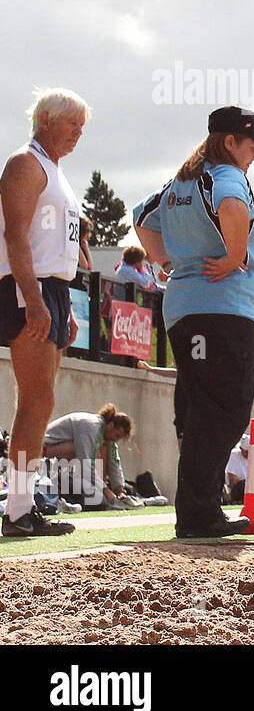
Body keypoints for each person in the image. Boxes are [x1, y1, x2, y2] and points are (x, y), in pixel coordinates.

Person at [133, 104, 254, 538]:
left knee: (204, 411)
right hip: (225, 309)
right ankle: (199, 512)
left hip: (184, 307)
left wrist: (165, 260)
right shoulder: (226, 177)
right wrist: (236, 256)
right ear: (230, 142)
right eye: (253, 148)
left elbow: (142, 215)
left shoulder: (180, 182)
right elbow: (233, 207)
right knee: (225, 411)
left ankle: (199, 510)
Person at [1, 89, 91, 536]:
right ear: (46, 121)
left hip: (53, 287)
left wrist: (66, 306)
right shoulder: (24, 164)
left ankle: (22, 505)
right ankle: (16, 509)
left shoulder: (55, 171)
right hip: (29, 285)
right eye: (72, 124)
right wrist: (33, 298)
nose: (78, 134)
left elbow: (59, 246)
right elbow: (15, 236)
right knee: (36, 400)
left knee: (42, 399)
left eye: (82, 127)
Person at [42, 404, 131, 509]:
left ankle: (65, 481)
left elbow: (114, 463)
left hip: (66, 465)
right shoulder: (92, 427)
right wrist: (106, 490)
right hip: (45, 454)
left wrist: (119, 490)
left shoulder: (105, 433)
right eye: (116, 435)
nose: (115, 439)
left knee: (100, 498)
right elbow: (85, 464)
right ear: (111, 425)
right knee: (85, 453)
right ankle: (58, 479)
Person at [225, 433, 250, 503]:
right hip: (239, 488)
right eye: (246, 452)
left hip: (251, 485)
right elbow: (233, 480)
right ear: (241, 449)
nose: (248, 454)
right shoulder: (233, 455)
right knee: (243, 485)